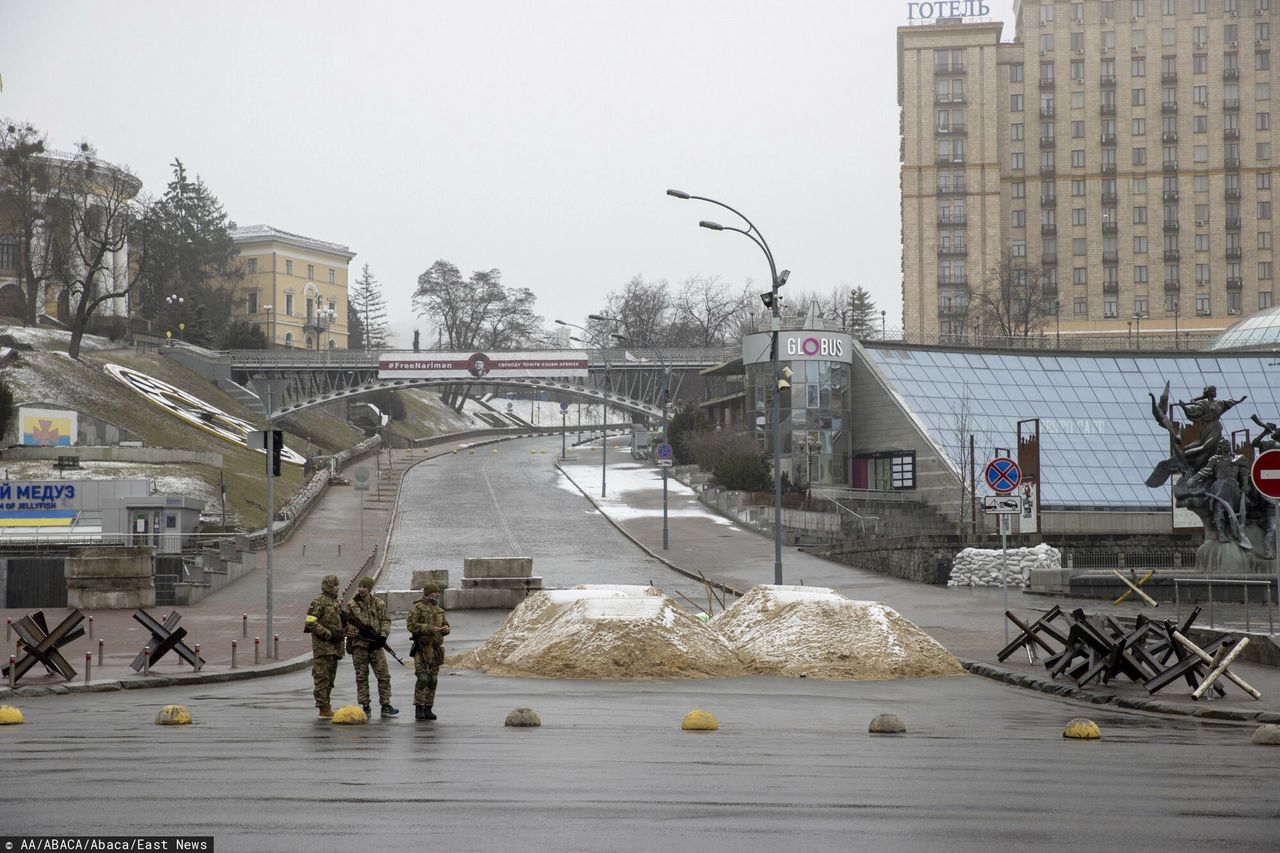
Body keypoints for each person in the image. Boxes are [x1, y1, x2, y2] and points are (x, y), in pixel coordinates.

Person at [344, 576, 398, 718]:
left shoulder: (378, 603)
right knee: (361, 677)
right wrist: (356, 634)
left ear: (370, 588)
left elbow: (386, 620)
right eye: (360, 586)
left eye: (365, 587)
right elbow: (346, 625)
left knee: (383, 675)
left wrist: (383, 636)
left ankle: (385, 705)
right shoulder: (351, 605)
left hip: (376, 645)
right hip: (359, 646)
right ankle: (365, 706)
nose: (362, 589)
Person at [304, 574, 346, 718]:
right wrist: (329, 634)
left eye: (337, 585)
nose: (337, 588)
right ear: (328, 586)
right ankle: (323, 708)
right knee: (322, 678)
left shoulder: (335, 602)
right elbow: (310, 623)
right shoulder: (318, 602)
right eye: (334, 585)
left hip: (335, 647)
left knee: (330, 679)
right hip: (322, 648)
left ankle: (327, 706)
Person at [406, 581, 450, 720]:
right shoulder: (418, 608)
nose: (437, 594)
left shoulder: (439, 610)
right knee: (423, 678)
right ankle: (419, 707)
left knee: (433, 680)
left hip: (435, 651)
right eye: (434, 592)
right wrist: (429, 628)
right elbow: (411, 626)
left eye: (437, 592)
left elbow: (445, 624)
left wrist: (446, 629)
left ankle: (428, 708)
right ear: (428, 593)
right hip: (422, 649)